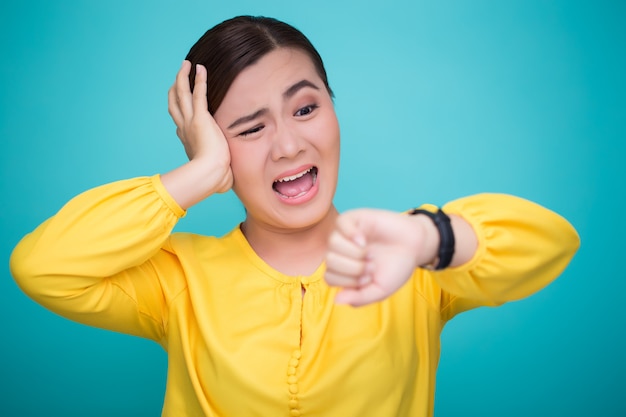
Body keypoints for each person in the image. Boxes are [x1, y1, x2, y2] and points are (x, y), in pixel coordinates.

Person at [10, 15, 579, 417]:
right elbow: (43, 266)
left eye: (305, 108)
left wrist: (427, 235)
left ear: (333, 109)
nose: (287, 145)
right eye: (250, 128)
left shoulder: (405, 255)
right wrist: (199, 174)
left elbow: (552, 242)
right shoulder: (179, 278)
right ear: (213, 143)